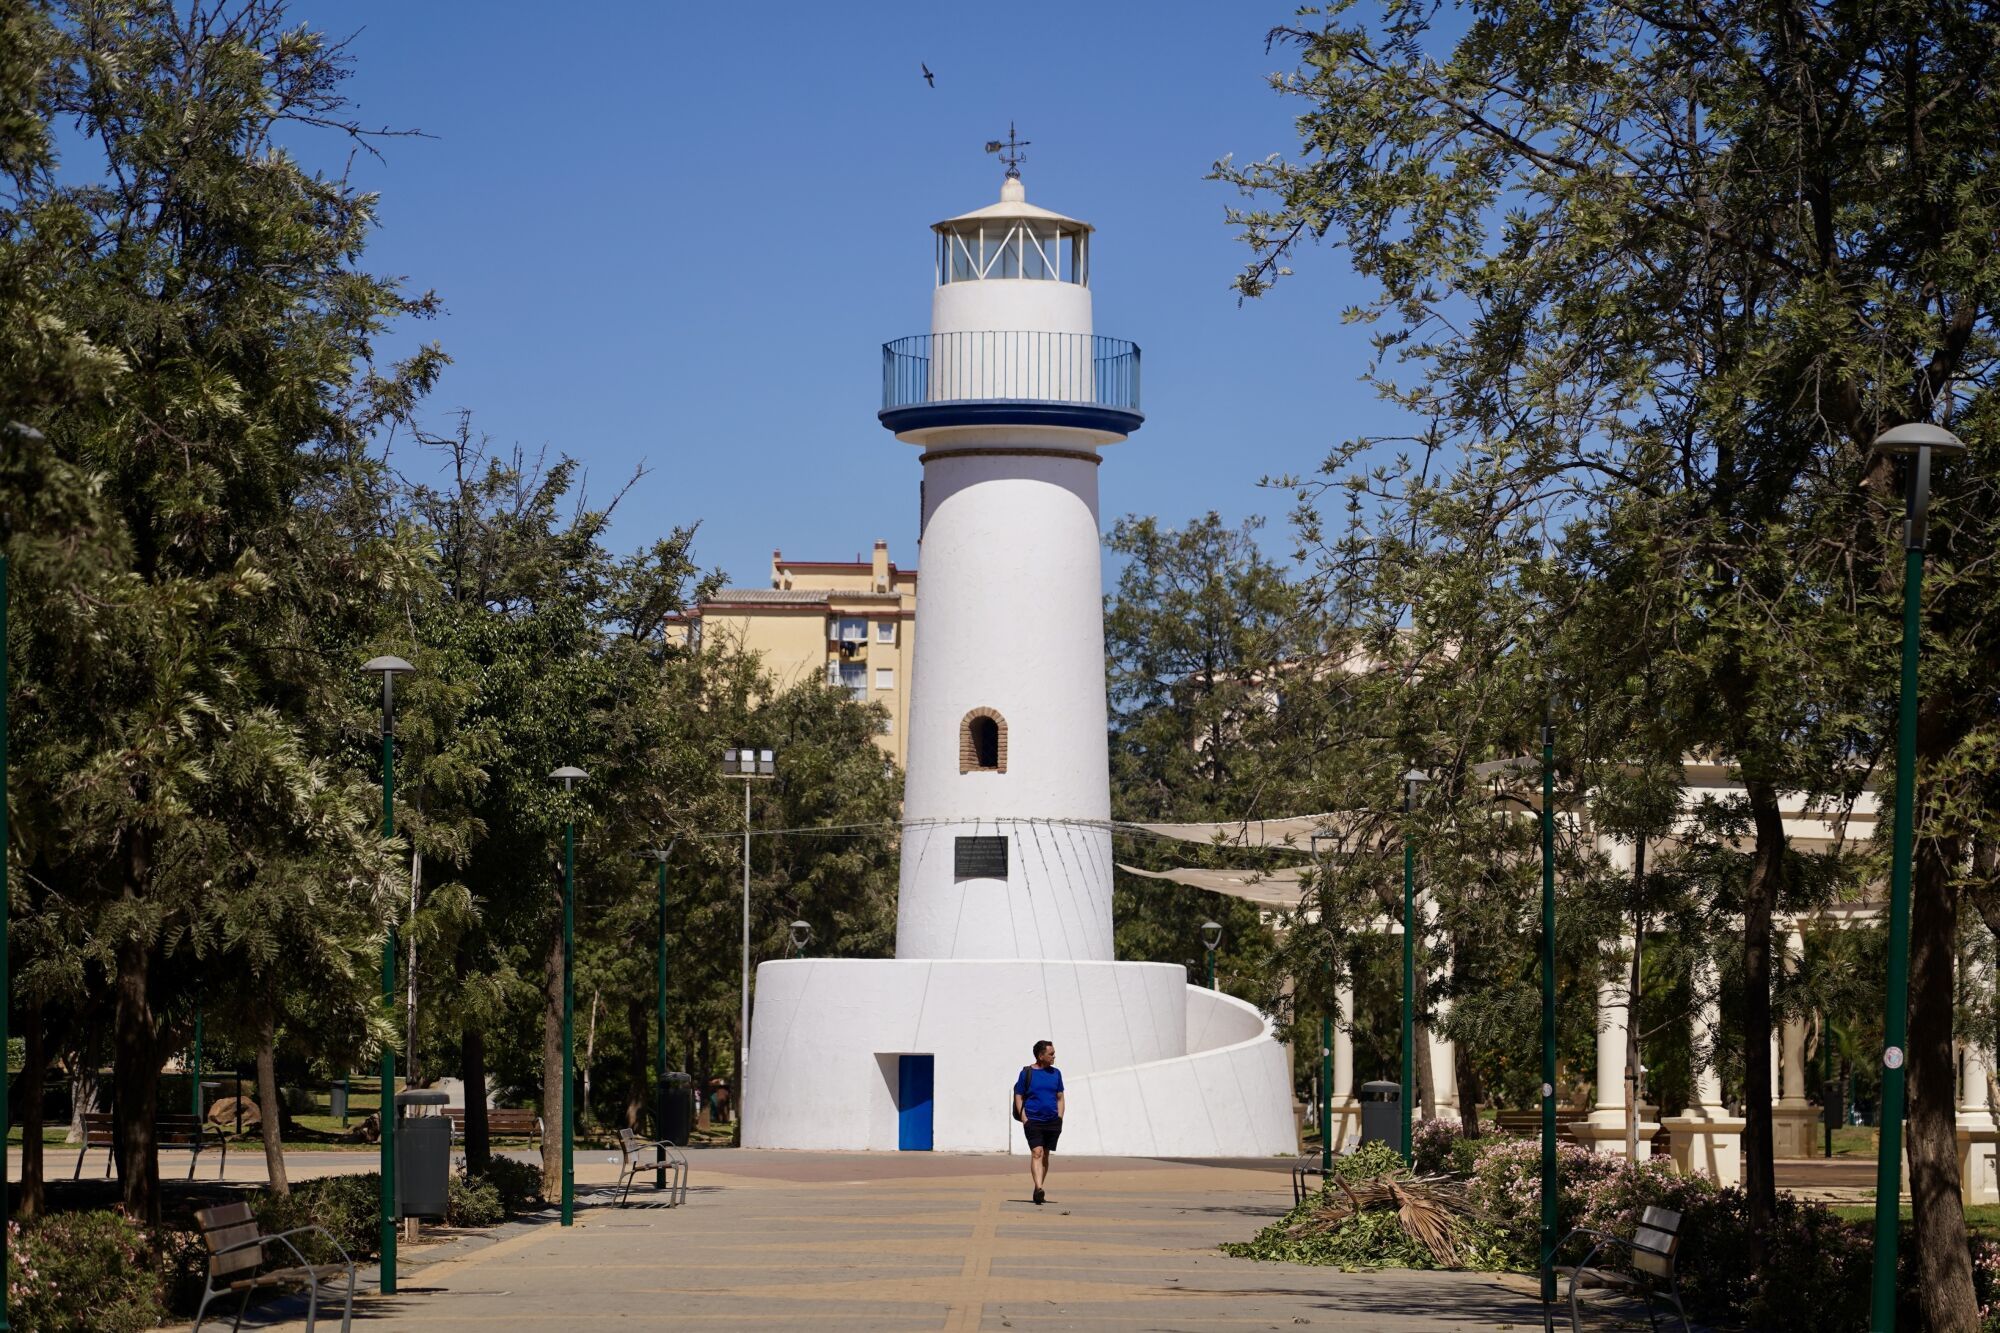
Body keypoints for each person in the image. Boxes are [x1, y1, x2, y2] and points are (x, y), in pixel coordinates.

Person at [1013, 1039, 1065, 1206]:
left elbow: (1060, 1097)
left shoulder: (1056, 1073)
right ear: (1040, 1055)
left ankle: (1038, 1189)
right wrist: (1024, 1118)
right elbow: (1018, 1095)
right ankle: (1039, 1187)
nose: (1054, 1056)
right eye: (1051, 1054)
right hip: (1033, 1120)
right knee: (1037, 1152)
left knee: (1045, 1155)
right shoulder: (1026, 1073)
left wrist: (1060, 1117)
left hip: (1052, 1121)